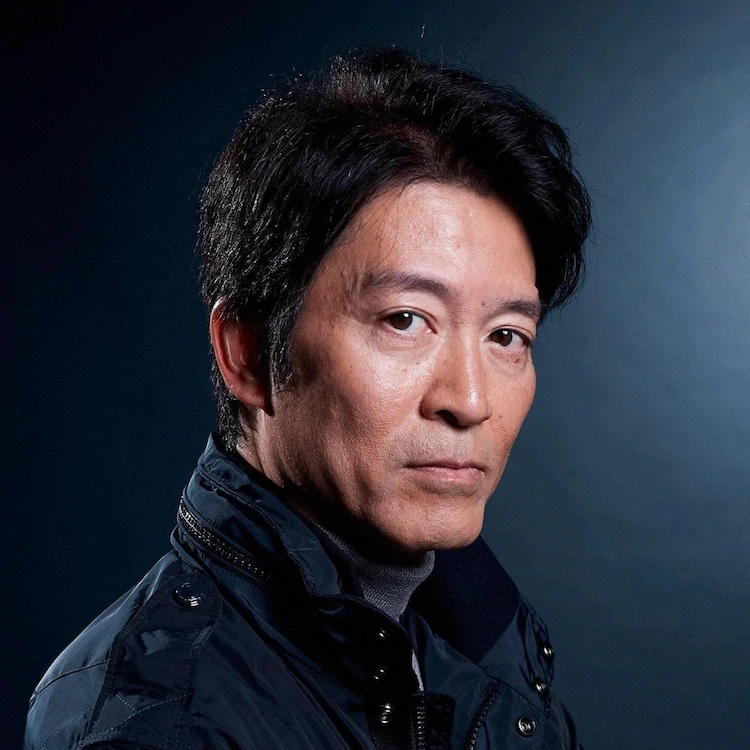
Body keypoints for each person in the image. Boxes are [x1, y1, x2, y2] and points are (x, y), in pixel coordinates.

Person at [24, 46, 591, 750]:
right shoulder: (163, 722)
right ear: (247, 353)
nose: (470, 400)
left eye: (507, 335)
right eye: (405, 320)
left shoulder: (479, 643)